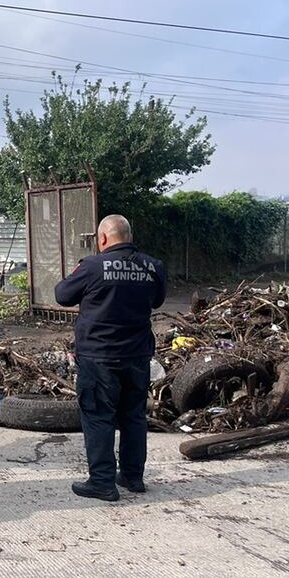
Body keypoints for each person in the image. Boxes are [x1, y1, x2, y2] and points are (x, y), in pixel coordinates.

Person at [54, 214, 167, 502]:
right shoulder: (153, 266)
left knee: (98, 417)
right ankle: (133, 477)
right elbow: (157, 300)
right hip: (137, 356)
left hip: (99, 357)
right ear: (129, 237)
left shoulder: (92, 266)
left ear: (103, 238)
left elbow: (62, 295)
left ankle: (102, 482)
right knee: (133, 416)